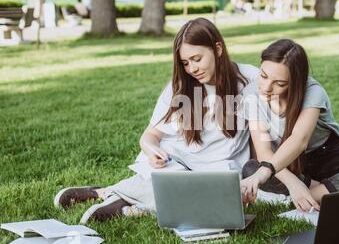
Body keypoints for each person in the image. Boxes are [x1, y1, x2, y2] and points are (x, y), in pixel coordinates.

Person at [53, 18, 259, 223]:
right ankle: (122, 200)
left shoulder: (250, 78)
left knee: (213, 193)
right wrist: (152, 151)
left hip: (219, 168)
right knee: (173, 182)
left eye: (197, 59)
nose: (192, 69)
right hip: (176, 162)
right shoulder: (180, 86)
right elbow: (150, 136)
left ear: (218, 49)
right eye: (185, 63)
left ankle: (112, 196)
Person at [240, 39, 339, 212]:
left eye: (280, 83)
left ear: (296, 81)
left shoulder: (313, 92)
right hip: (286, 163)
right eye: (263, 75)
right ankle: (325, 192)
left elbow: (299, 139)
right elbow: (264, 152)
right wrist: (293, 182)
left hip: (327, 158)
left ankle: (301, 198)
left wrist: (278, 178)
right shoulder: (252, 94)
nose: (266, 87)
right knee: (251, 168)